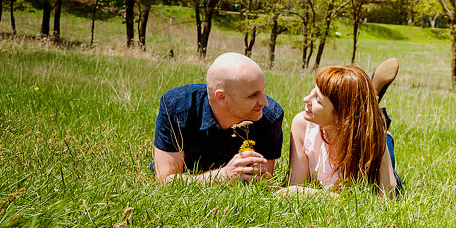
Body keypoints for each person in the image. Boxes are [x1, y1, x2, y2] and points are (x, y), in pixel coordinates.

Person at [275, 59, 402, 198]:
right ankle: (370, 102)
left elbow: (386, 195)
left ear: (341, 115)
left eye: (318, 99)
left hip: (368, 143)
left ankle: (376, 116)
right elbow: (296, 186)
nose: (306, 99)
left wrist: (379, 134)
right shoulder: (302, 125)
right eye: (313, 91)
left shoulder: (373, 135)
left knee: (384, 139)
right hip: (354, 123)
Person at [153, 52, 284, 185]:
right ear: (221, 97)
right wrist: (223, 175)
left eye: (263, 90)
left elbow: (261, 183)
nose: (264, 101)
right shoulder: (178, 108)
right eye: (252, 95)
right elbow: (165, 180)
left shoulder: (269, 116)